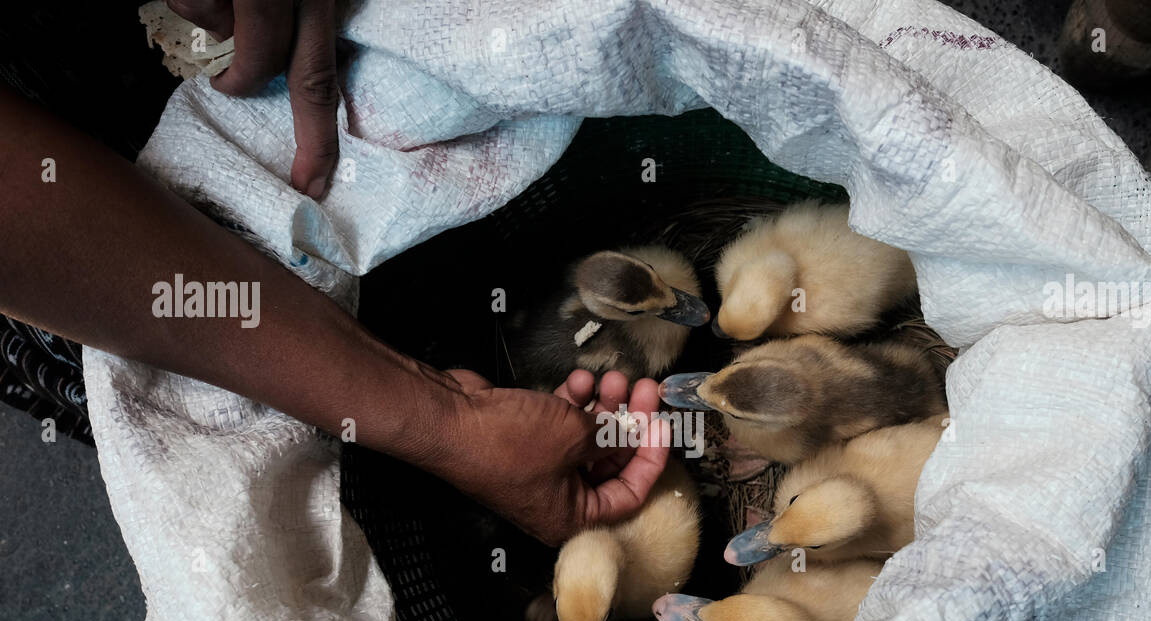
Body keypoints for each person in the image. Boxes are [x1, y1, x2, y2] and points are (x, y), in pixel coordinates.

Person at [0, 1, 668, 547]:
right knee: (155, 367)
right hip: (63, 206)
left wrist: (451, 423)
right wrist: (446, 424)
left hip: (195, 52)